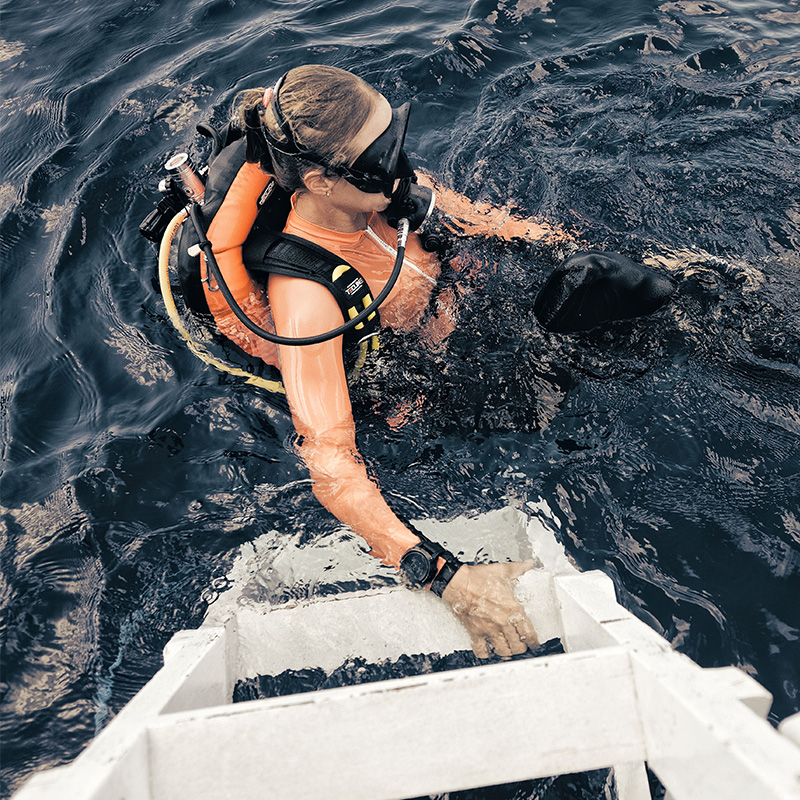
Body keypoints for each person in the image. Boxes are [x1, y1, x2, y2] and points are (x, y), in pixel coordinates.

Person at [194, 65, 563, 658]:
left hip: (459, 323)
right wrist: (448, 580)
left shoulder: (387, 191)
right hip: (406, 397)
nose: (399, 167)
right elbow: (330, 462)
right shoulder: (308, 300)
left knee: (612, 287)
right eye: (378, 159)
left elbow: (510, 231)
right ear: (318, 180)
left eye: (395, 139)